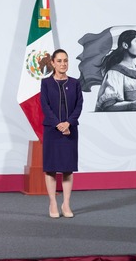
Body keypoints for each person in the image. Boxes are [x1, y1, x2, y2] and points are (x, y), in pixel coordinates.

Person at [40, 49, 84, 219]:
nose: (63, 64)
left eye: (65, 60)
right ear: (52, 63)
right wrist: (58, 124)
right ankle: (53, 203)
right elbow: (45, 106)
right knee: (50, 168)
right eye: (59, 61)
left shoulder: (75, 83)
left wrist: (68, 123)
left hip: (70, 130)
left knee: (67, 168)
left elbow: (79, 105)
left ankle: (66, 203)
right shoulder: (46, 83)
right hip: (52, 130)